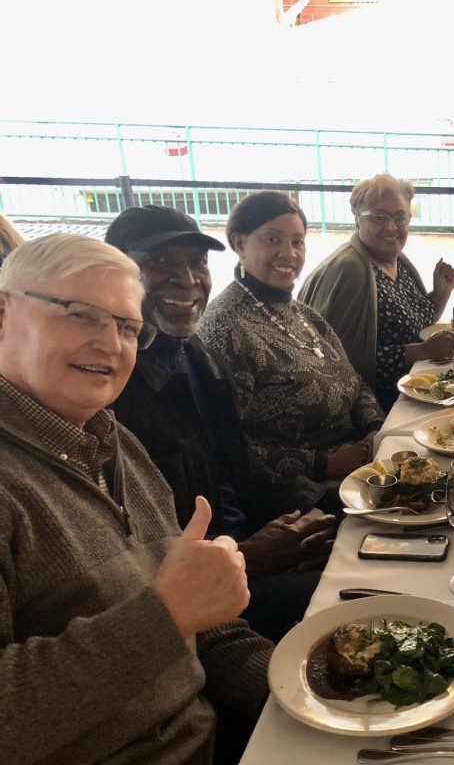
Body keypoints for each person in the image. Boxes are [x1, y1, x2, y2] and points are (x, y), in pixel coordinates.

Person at [0, 234, 271, 763]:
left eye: (127, 326)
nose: (111, 344)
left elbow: (206, 632)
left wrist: (313, 694)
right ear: (3, 313)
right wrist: (164, 615)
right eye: (81, 315)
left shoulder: (113, 441)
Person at [105, 204, 336, 642]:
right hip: (205, 593)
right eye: (159, 262)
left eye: (196, 262)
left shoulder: (197, 357)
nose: (188, 279)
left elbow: (237, 473)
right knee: (363, 594)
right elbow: (139, 555)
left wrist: (316, 508)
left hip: (250, 540)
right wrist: (253, 554)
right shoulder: (115, 390)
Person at [198, 191, 385, 493]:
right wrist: (326, 463)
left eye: (297, 241)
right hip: (302, 492)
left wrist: (374, 430)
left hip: (358, 465)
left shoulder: (303, 315)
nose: (289, 253)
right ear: (239, 243)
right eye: (272, 239)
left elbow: (355, 383)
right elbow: (229, 447)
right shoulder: (225, 328)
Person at [298, 174, 454, 411]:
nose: (391, 227)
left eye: (399, 217)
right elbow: (338, 361)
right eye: (379, 217)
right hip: (373, 407)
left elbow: (413, 327)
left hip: (413, 391)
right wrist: (420, 352)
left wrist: (441, 292)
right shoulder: (350, 269)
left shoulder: (396, 261)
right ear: (357, 220)